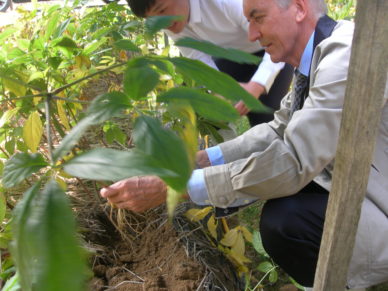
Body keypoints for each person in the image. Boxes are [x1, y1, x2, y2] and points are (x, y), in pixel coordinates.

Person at [101, 0, 388, 289]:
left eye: (257, 18)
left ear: (299, 8)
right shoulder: (314, 60)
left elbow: (293, 160)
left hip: (380, 201)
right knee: (282, 206)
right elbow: (277, 131)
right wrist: (203, 160)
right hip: (366, 185)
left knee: (286, 223)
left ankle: (345, 280)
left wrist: (176, 188)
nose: (250, 36)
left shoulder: (344, 58)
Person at [127, 0, 294, 126]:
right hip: (232, 56)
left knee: (266, 120)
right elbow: (197, 57)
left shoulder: (225, 2)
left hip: (273, 50)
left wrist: (257, 86)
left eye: (162, 10)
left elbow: (279, 41)